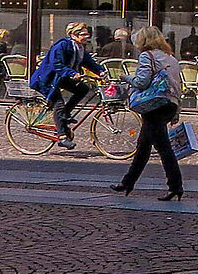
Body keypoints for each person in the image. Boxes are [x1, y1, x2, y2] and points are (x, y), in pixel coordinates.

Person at [113, 25, 184, 201]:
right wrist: (177, 111)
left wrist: (126, 78)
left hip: (154, 106)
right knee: (143, 146)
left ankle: (176, 186)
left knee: (163, 148)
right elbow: (177, 86)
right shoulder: (170, 58)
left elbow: (142, 82)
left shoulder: (147, 56)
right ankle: (128, 182)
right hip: (169, 105)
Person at [30, 22, 105, 151]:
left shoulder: (80, 48)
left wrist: (100, 71)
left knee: (83, 89)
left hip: (60, 78)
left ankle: (65, 113)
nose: (87, 36)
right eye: (84, 34)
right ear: (73, 35)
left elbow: (89, 62)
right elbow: (56, 64)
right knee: (58, 103)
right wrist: (72, 73)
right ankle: (62, 137)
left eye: (88, 34)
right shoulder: (62, 45)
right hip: (47, 79)